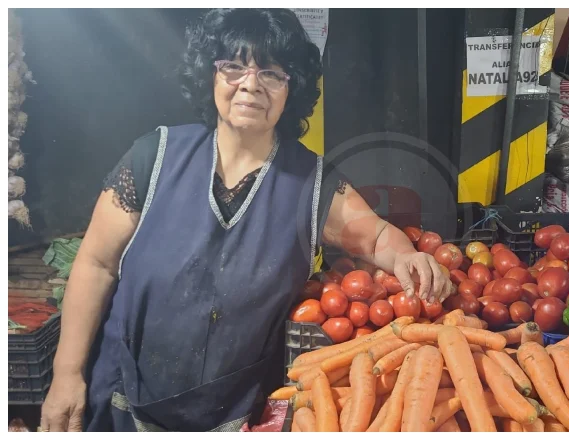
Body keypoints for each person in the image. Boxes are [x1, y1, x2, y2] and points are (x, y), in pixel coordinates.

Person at [40, 8, 453, 432]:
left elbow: (377, 236)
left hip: (234, 411)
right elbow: (96, 265)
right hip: (122, 400)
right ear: (211, 75)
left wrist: (406, 256)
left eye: (272, 73)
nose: (250, 84)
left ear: (292, 88)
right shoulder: (154, 157)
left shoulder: (312, 182)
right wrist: (67, 374)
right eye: (233, 66)